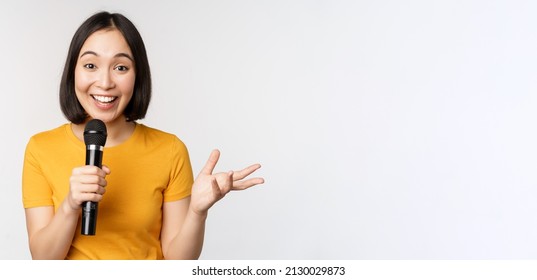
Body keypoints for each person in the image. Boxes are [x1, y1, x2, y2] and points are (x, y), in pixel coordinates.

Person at [21, 11, 264, 260]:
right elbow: (42, 260)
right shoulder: (41, 149)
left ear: (137, 76)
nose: (105, 82)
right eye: (90, 65)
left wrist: (197, 212)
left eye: (121, 67)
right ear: (73, 71)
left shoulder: (170, 150)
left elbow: (179, 261)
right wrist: (70, 205)